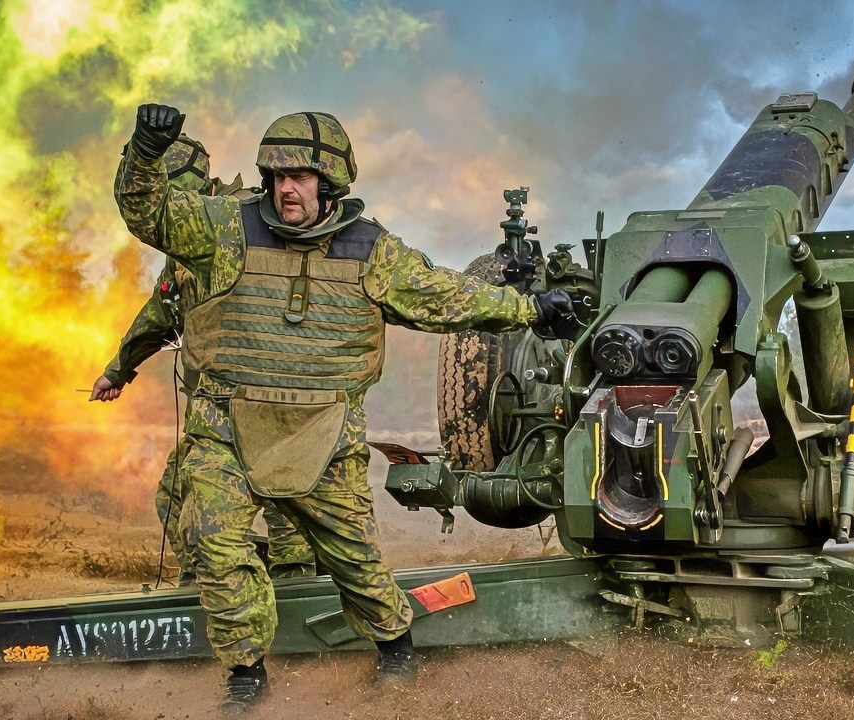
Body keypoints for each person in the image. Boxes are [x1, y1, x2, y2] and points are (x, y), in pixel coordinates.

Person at [114, 103, 573, 713]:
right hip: (225, 429)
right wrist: (146, 150)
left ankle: (396, 649)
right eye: (276, 177)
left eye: (300, 178)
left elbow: (445, 297)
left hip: (325, 434)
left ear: (329, 184)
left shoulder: (369, 251)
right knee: (219, 550)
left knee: (356, 564)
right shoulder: (225, 227)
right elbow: (150, 215)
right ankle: (246, 676)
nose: (285, 190)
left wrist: (531, 311)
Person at [93, 136, 317, 586]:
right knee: (176, 491)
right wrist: (119, 369)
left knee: (280, 493)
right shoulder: (190, 241)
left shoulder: (253, 221)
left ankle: (298, 585)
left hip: (275, 396)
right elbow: (162, 309)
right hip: (217, 406)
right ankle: (213, 576)